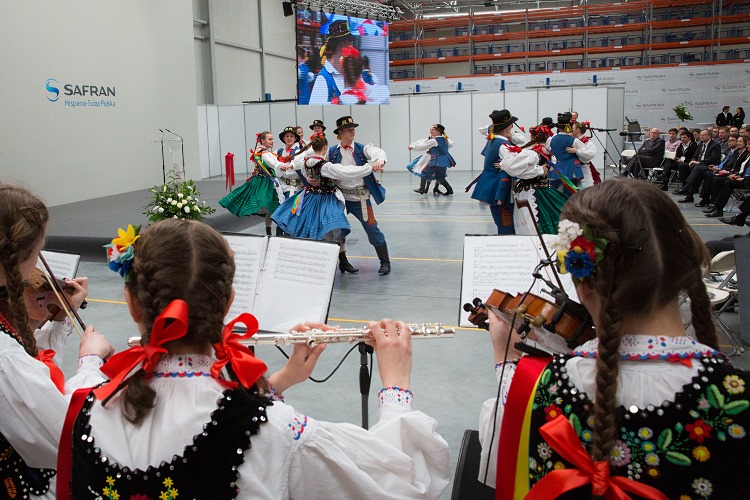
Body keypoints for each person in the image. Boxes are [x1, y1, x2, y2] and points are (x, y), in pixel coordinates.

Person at [62, 219, 450, 499]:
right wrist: (396, 387)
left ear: (132, 303)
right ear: (229, 302)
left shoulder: (83, 406)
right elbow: (403, 485)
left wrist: (284, 379)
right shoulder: (278, 431)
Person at [478, 179, 750, 497]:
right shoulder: (737, 394)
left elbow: (504, 467)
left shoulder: (540, 387)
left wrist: (507, 360)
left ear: (582, 283)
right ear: (686, 268)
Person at [0, 183, 111, 499]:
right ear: (18, 257)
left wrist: (59, 320)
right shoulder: (5, 359)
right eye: (38, 252)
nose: (38, 266)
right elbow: (67, 435)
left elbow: (30, 372)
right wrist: (90, 363)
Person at [324, 115, 392, 275]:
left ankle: (385, 261)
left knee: (372, 229)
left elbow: (377, 152)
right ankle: (343, 262)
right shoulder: (331, 152)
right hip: (339, 198)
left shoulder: (362, 149)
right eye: (348, 130)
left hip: (360, 198)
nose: (352, 132)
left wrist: (379, 161)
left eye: (353, 129)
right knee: (336, 229)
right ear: (340, 132)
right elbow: (321, 164)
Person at [272, 133, 351, 249]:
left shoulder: (307, 160)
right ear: (325, 147)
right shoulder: (324, 164)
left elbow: (303, 169)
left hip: (312, 196)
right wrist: (367, 168)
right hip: (325, 198)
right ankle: (335, 252)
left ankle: (320, 250)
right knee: (330, 224)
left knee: (308, 221)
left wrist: (306, 176)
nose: (289, 138)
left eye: (291, 136)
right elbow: (344, 172)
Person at [503, 123, 568, 235]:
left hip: (530, 192)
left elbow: (510, 167)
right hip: (544, 189)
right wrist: (539, 170)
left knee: (530, 219)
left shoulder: (533, 154)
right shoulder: (548, 153)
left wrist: (538, 170)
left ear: (532, 137)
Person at [219, 131, 286, 236]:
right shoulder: (265, 154)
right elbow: (275, 164)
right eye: (270, 139)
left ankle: (270, 232)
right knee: (274, 206)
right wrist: (286, 166)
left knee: (270, 208)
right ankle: (277, 232)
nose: (272, 141)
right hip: (266, 183)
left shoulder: (260, 151)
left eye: (272, 139)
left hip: (261, 181)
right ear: (262, 140)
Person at [469, 109, 520, 234]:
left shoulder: (494, 140)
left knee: (502, 221)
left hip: (493, 185)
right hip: (500, 188)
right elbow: (514, 166)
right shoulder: (502, 145)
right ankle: (506, 242)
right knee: (506, 223)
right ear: (507, 126)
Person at [309, 19, 353, 105]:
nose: (352, 48)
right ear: (341, 45)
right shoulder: (323, 79)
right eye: (349, 44)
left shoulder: (349, 73)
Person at [407, 124, 456, 196]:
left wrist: (412, 147)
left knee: (424, 172)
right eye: (430, 129)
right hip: (444, 161)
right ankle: (449, 190)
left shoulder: (434, 140)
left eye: (433, 129)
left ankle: (422, 189)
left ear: (438, 131)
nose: (431, 131)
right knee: (440, 177)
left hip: (436, 161)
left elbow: (423, 146)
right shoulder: (445, 139)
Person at [675, 129, 722, 203]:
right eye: (701, 135)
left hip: (710, 165)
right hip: (699, 165)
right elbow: (695, 155)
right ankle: (688, 191)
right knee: (684, 166)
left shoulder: (715, 145)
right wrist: (693, 161)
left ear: (709, 136)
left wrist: (699, 162)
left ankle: (686, 188)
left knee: (696, 169)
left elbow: (713, 159)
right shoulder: (700, 144)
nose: (701, 137)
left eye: (703, 135)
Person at [275, 126, 306, 198]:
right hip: (281, 186)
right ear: (283, 138)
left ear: (295, 138)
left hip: (293, 187)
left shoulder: (298, 151)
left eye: (291, 136)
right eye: (287, 136)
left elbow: (299, 161)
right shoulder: (280, 151)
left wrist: (291, 165)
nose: (289, 138)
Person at [567, 121, 599, 187]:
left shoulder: (587, 142)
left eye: (572, 128)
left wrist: (577, 151)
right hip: (571, 169)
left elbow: (591, 153)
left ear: (577, 130)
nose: (571, 130)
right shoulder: (571, 139)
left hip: (583, 169)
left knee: (584, 187)